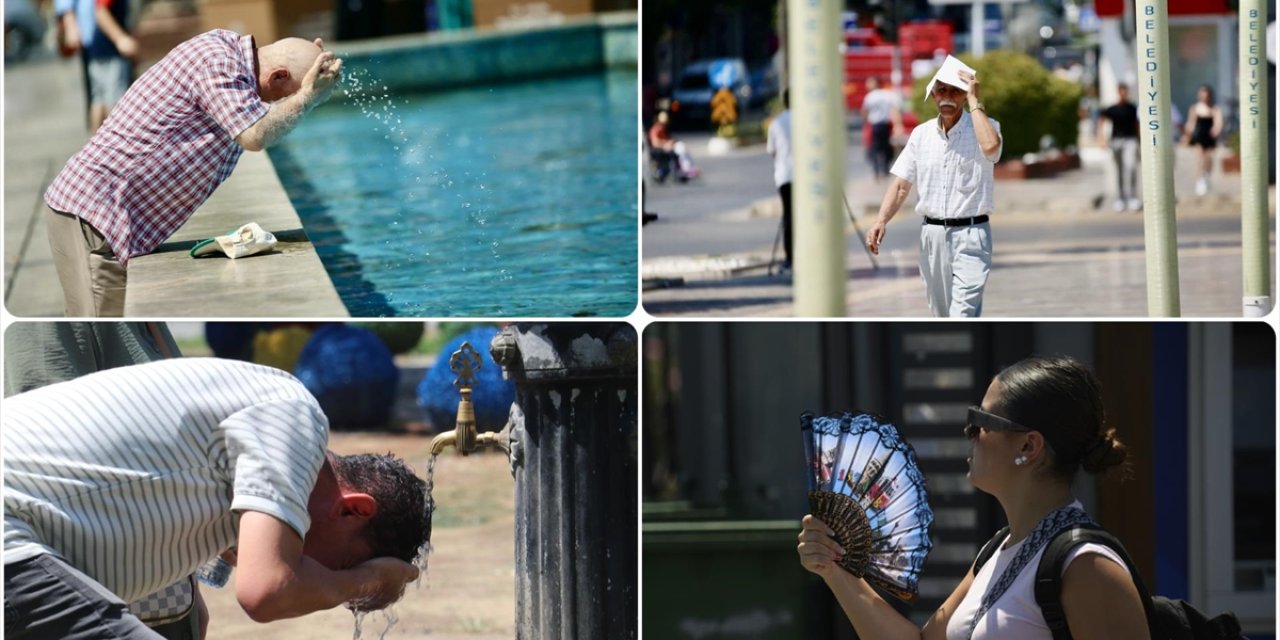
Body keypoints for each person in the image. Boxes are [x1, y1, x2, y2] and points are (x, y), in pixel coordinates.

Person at [3, 358, 428, 638]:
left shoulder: (248, 484)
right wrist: (370, 579)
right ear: (353, 509)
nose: (316, 575)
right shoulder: (296, 416)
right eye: (342, 564)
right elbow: (268, 592)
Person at [798, 355, 1148, 640]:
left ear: (1028, 446)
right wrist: (835, 568)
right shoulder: (998, 551)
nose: (969, 433)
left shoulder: (1087, 566)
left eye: (980, 421)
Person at [43, 30, 345, 317]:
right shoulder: (218, 62)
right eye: (285, 96)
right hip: (97, 215)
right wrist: (306, 97)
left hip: (102, 217)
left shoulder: (232, 64)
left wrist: (308, 72)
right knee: (106, 334)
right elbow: (256, 134)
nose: (280, 106)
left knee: (102, 334)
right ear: (278, 76)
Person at [867, 63, 1003, 317]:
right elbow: (901, 185)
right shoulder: (921, 135)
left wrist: (974, 101)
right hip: (932, 237)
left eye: (956, 91)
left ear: (965, 95)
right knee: (942, 315)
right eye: (942, 91)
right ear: (933, 95)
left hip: (972, 234)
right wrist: (881, 220)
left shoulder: (986, 127)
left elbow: (991, 148)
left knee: (962, 313)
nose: (947, 97)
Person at [55, 0, 138, 131]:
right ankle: (112, 137)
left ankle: (95, 139)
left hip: (95, 46)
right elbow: (101, 12)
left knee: (98, 97)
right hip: (108, 48)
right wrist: (120, 39)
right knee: (113, 99)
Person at [1098, 83, 1141, 212]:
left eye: (1125, 91)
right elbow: (1101, 120)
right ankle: (1120, 198)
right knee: (1119, 170)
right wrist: (1101, 138)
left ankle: (1133, 196)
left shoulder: (1132, 108)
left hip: (1130, 140)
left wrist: (1140, 141)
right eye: (1121, 91)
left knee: (1131, 167)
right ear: (1118, 92)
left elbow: (1137, 124)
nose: (1123, 93)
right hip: (1116, 141)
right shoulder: (1112, 109)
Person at [766, 89, 793, 273]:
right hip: (808, 177)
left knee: (789, 217)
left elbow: (772, 151)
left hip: (785, 176)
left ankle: (790, 259)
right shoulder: (811, 120)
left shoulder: (776, 123)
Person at [1181, 84, 1223, 196]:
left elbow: (1218, 123)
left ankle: (1207, 176)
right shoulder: (1195, 108)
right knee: (1199, 158)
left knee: (1209, 157)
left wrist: (1215, 131)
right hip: (1199, 135)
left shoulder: (1214, 108)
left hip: (1209, 135)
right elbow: (1191, 123)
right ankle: (1200, 180)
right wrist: (1186, 136)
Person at [862, 77, 905, 180]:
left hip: (874, 125)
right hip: (885, 125)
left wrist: (865, 122)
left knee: (875, 147)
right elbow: (896, 108)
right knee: (886, 147)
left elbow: (865, 111)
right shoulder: (887, 95)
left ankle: (876, 169)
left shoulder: (870, 96)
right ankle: (885, 168)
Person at [648, 111, 679, 183]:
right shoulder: (656, 129)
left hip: (662, 149)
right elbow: (655, 143)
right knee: (672, 154)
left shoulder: (663, 128)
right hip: (657, 150)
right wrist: (666, 144)